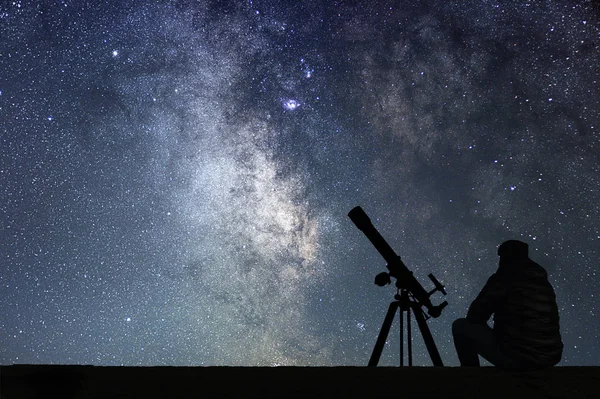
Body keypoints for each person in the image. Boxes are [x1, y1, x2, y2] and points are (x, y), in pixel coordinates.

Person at [452, 240, 563, 369]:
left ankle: (470, 376)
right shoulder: (543, 283)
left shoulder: (504, 277)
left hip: (520, 358)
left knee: (461, 327)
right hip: (550, 358)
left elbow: (474, 316)